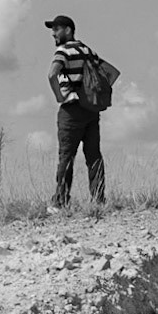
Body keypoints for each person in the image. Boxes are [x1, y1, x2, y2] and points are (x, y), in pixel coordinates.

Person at [45, 14, 106, 206]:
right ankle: (98, 200)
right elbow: (110, 74)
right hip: (91, 109)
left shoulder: (63, 51)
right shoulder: (88, 51)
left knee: (66, 156)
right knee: (94, 155)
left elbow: (52, 74)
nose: (53, 33)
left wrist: (59, 96)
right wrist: (97, 94)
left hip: (71, 110)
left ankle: (60, 201)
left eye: (56, 29)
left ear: (68, 30)